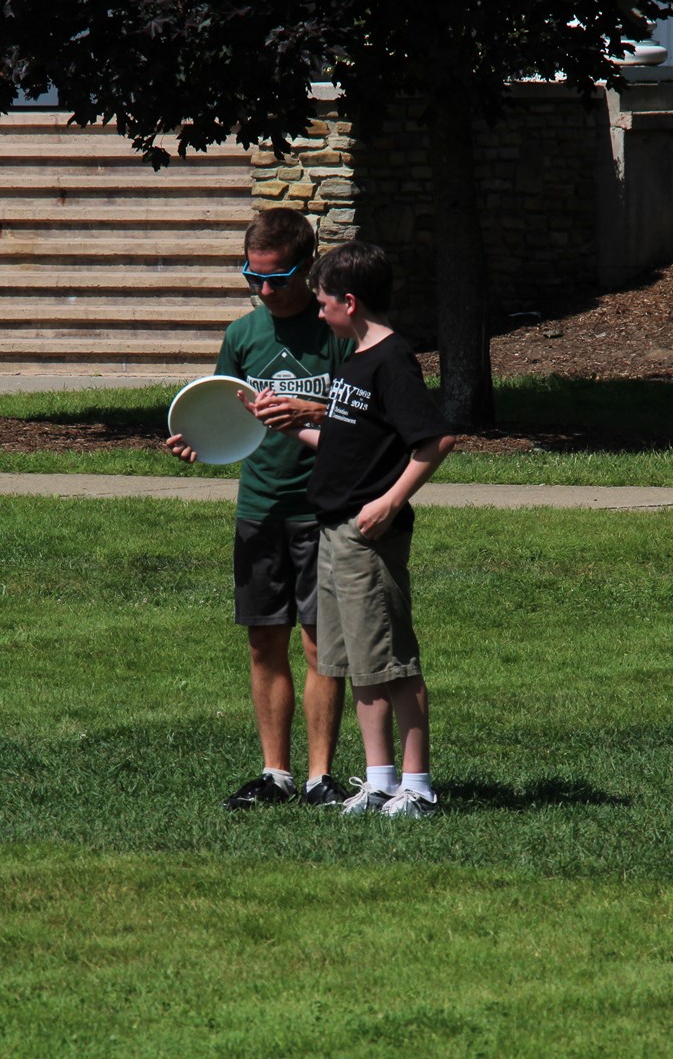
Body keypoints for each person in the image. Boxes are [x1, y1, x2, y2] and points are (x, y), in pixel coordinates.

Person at [257, 240, 456, 819]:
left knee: (392, 663)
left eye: (323, 304)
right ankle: (380, 781)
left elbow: (437, 439)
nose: (319, 314)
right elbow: (345, 442)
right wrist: (283, 423)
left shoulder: (391, 360)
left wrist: (390, 502)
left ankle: (417, 789)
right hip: (335, 529)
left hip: (367, 535)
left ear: (349, 302)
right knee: (358, 664)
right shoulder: (355, 360)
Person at [165, 209, 353, 809]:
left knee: (322, 646)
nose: (265, 290)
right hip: (260, 508)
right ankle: (276, 775)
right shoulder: (243, 335)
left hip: (322, 511)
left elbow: (369, 419)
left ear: (308, 267)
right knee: (263, 642)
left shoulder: (336, 332)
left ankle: (321, 777)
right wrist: (197, 442)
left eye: (277, 278)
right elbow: (221, 412)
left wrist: (315, 410)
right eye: (254, 277)